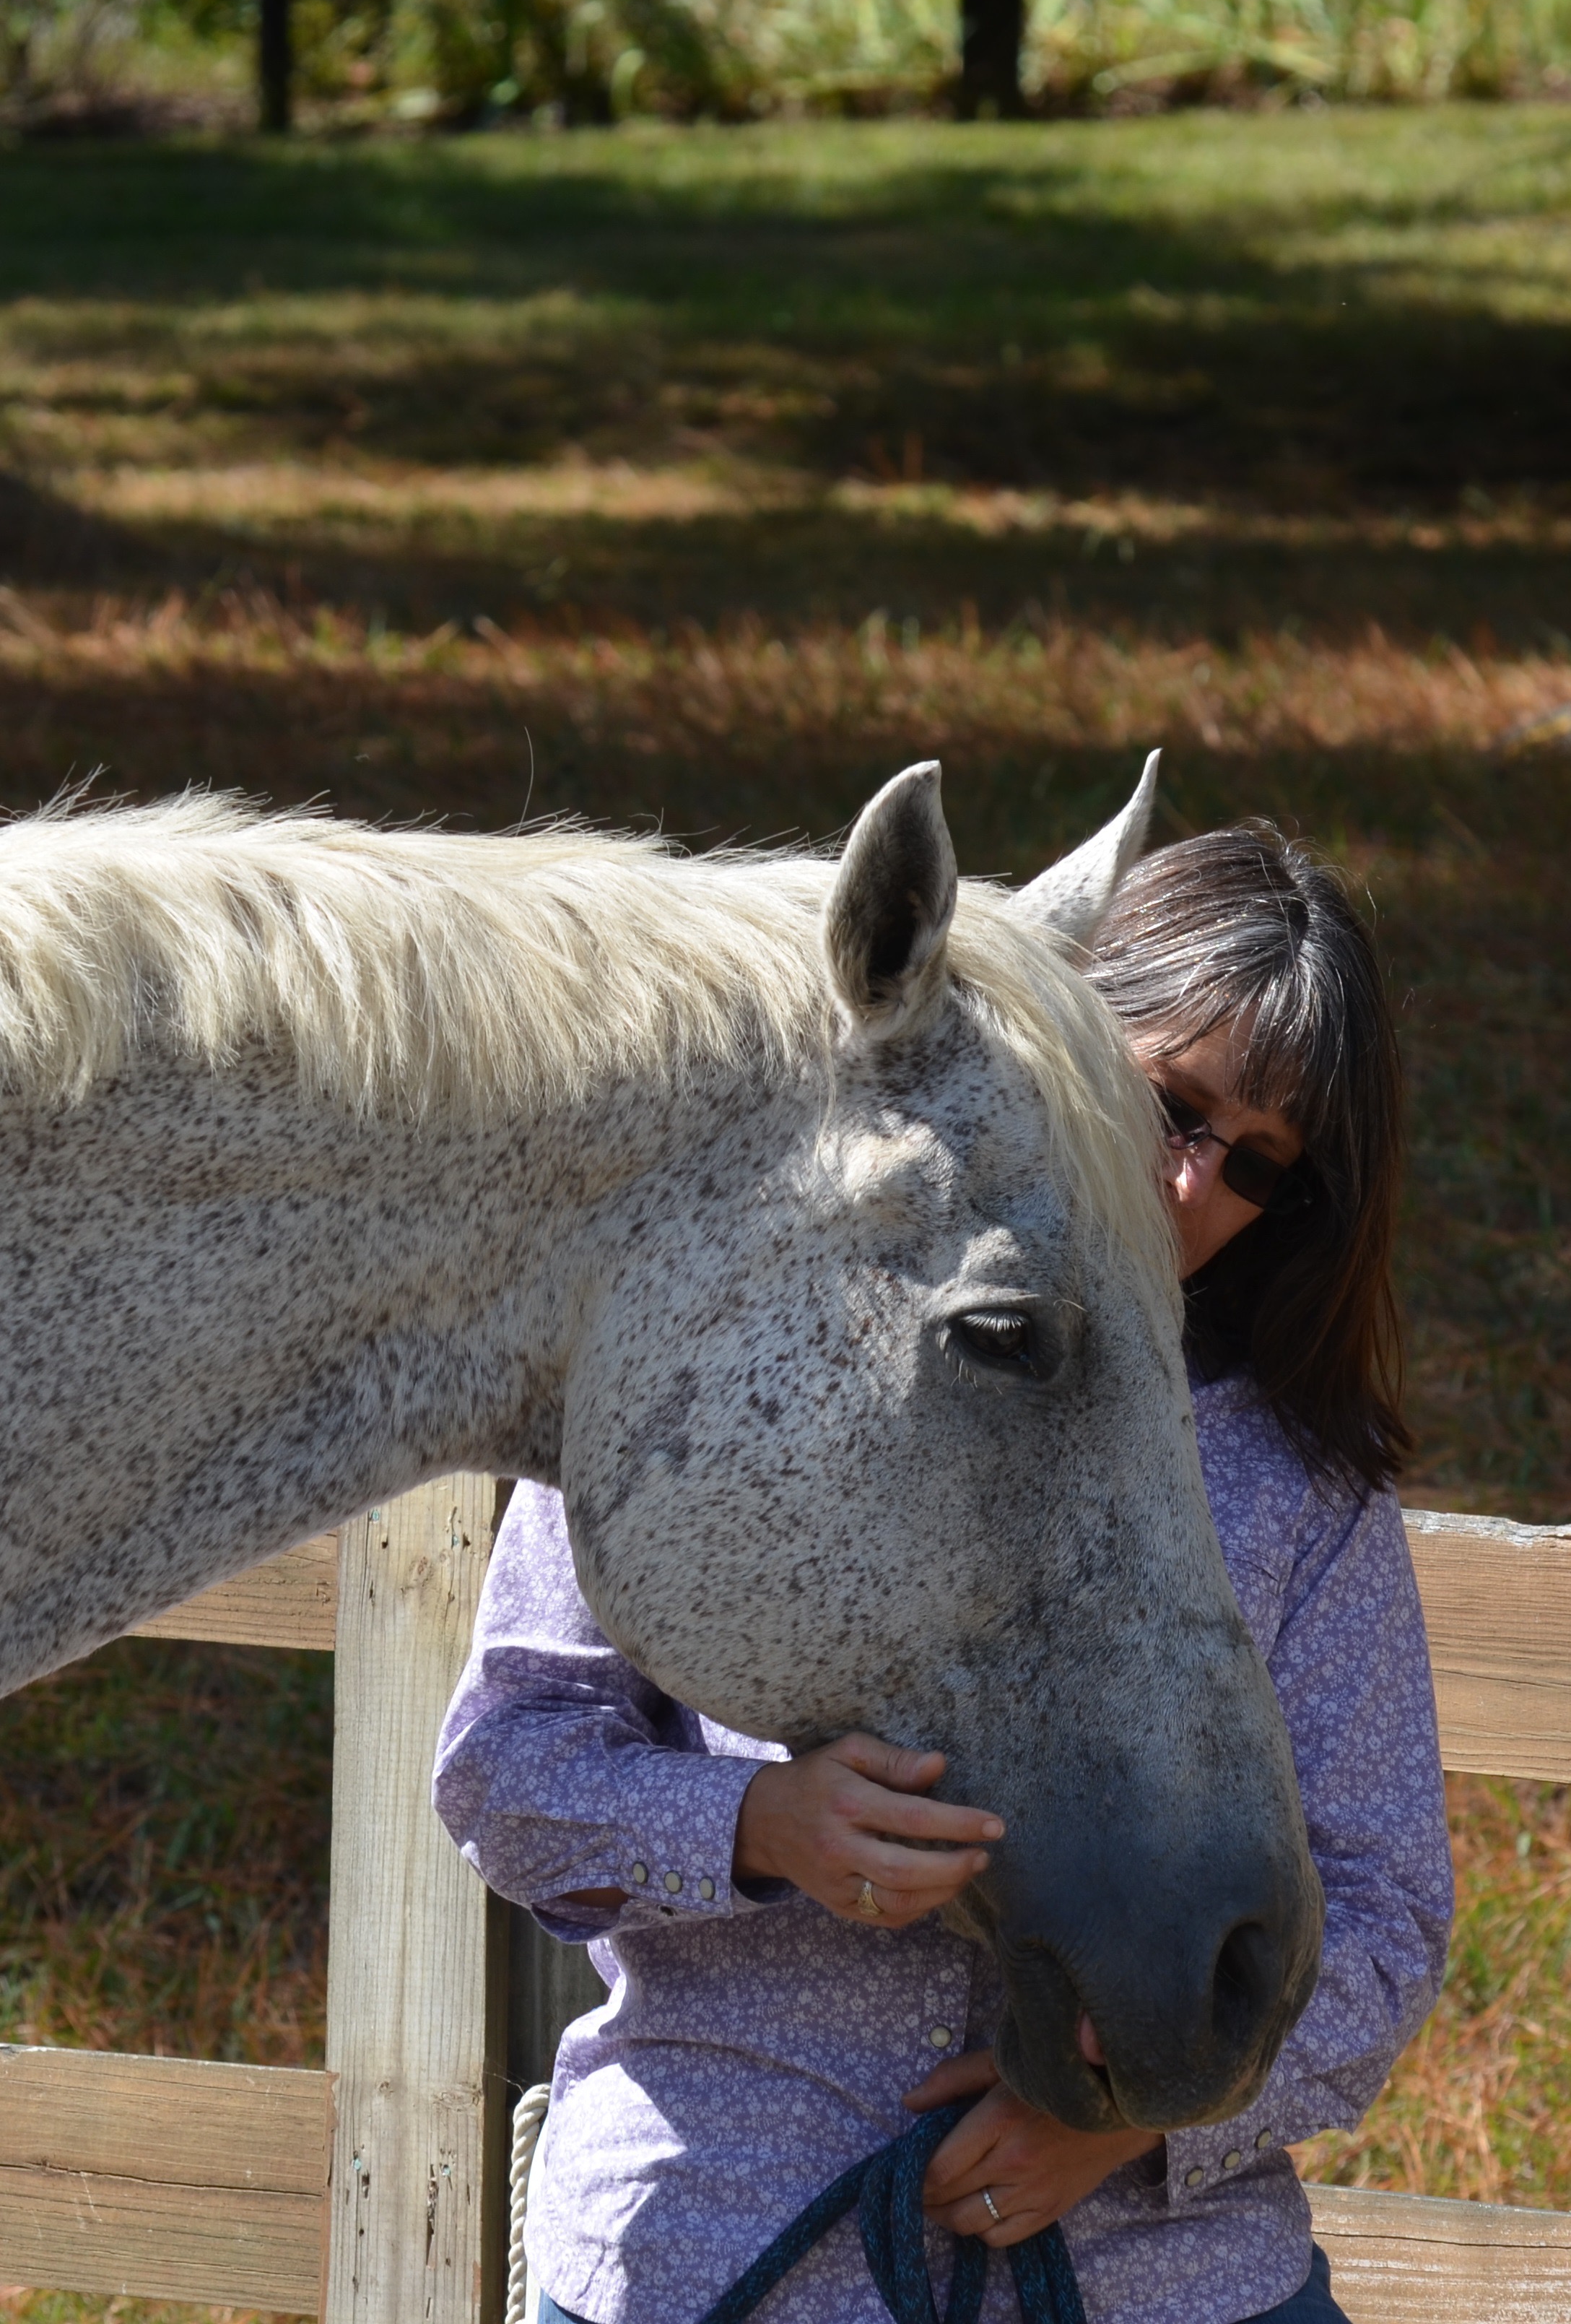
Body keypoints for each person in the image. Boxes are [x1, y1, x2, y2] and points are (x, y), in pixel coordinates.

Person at [433, 820, 1453, 2324]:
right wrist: (758, 1825)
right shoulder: (718, 1356)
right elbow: (508, 1770)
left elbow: (1380, 1915)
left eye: (1256, 1169)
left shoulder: (1293, 1486)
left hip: (1156, 2279)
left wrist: (1130, 2117)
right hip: (713, 2233)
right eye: (1169, 1104)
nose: (1188, 1194)